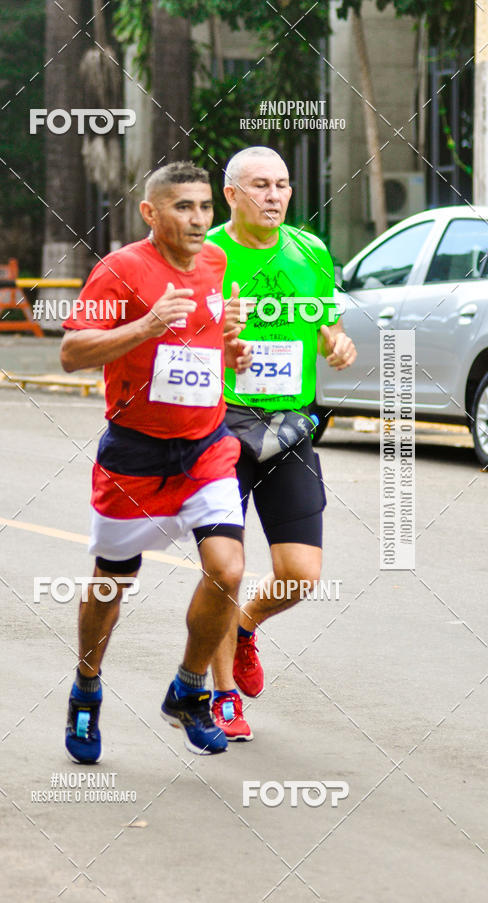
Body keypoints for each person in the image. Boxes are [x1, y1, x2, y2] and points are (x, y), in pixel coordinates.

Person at [59, 161, 252, 762]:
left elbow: (203, 348)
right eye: (183, 207)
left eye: (203, 207)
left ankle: (189, 689)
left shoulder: (217, 265)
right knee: (113, 581)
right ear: (151, 212)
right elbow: (71, 352)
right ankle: (87, 688)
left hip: (205, 447)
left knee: (228, 569)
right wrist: (145, 323)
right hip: (135, 453)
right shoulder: (120, 270)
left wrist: (232, 349)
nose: (199, 219)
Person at [206, 147, 357, 740]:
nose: (274, 196)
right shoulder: (208, 254)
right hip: (220, 423)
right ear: (232, 195)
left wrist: (335, 344)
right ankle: (221, 699)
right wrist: (215, 332)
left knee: (300, 574)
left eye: (283, 185)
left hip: (290, 425)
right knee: (226, 568)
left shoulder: (310, 251)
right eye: (261, 186)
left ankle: (245, 627)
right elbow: (173, 333)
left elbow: (327, 324)